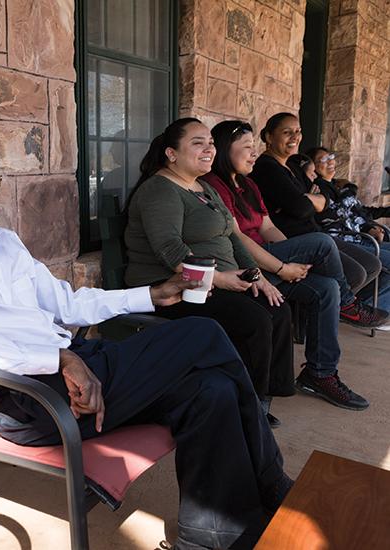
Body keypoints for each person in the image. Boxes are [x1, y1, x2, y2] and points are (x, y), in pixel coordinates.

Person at [0, 140, 293, 550]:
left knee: (211, 390)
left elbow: (66, 303)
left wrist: (151, 295)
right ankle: (271, 478)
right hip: (24, 397)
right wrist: (59, 356)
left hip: (74, 365)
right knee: (203, 333)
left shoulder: (5, 242)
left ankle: (210, 536)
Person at [124, 118, 294, 425]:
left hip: (211, 281)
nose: (208, 149)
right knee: (252, 319)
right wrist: (221, 279)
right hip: (169, 289)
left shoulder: (203, 188)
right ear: (171, 154)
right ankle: (244, 405)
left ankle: (261, 397)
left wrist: (257, 277)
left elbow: (232, 236)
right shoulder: (160, 191)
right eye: (197, 143)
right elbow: (171, 250)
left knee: (276, 306)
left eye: (211, 143)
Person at [203, 120, 370, 410]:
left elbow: (268, 228)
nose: (254, 153)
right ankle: (349, 304)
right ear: (223, 150)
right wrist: (282, 267)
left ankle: (320, 374)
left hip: (270, 257)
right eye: (246, 148)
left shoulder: (248, 184)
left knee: (327, 288)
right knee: (321, 242)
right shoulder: (213, 187)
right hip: (247, 266)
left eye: (254, 147)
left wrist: (289, 262)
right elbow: (238, 241)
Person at [250, 113, 385, 326]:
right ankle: (339, 307)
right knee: (356, 274)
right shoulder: (266, 167)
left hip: (315, 232)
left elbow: (324, 201)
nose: (295, 137)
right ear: (268, 136)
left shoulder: (292, 166)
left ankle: (333, 309)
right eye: (287, 132)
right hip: (296, 239)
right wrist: (309, 199)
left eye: (298, 131)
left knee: (371, 264)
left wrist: (310, 199)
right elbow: (302, 207)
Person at [303, 146, 390, 326]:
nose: (331, 162)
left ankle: (373, 307)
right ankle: (364, 308)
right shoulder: (319, 190)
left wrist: (370, 225)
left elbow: (360, 212)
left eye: (331, 157)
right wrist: (366, 228)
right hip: (346, 240)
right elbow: (334, 219)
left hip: (362, 237)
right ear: (313, 167)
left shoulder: (340, 187)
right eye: (324, 160)